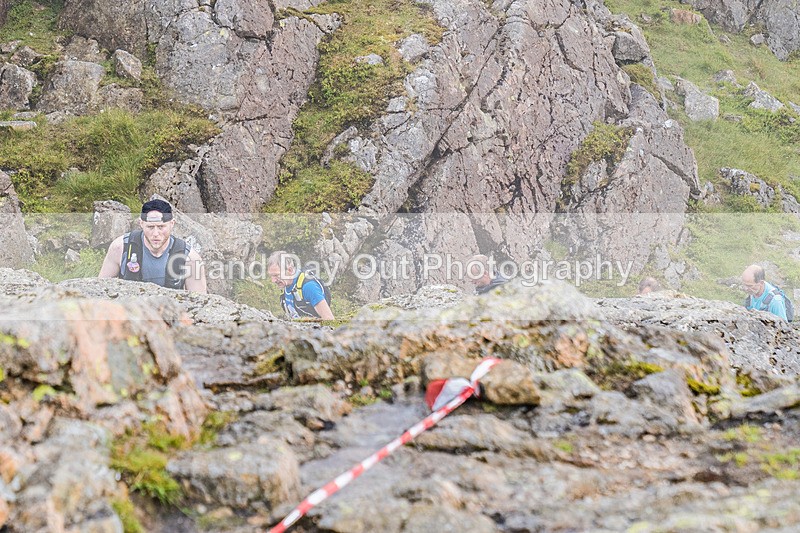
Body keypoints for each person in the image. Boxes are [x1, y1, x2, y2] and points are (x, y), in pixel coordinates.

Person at [99, 199, 207, 293]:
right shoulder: (120, 248)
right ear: (141, 224)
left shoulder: (190, 258)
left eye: (161, 227)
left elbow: (199, 301)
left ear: (172, 224)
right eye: (150, 227)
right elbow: (100, 290)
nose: (155, 233)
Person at [267, 251, 334, 320]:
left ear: (290, 270)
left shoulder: (309, 287)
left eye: (276, 275)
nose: (273, 280)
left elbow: (329, 319)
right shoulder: (287, 285)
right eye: (271, 276)